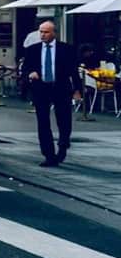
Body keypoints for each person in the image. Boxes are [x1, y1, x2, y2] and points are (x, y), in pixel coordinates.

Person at [21, 20, 82, 166]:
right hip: (41, 89)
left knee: (64, 120)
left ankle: (62, 146)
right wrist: (30, 74)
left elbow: (74, 72)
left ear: (54, 33)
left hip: (60, 88)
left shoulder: (66, 49)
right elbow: (24, 70)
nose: (42, 35)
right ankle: (48, 154)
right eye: (41, 32)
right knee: (43, 121)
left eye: (46, 32)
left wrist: (78, 91)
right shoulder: (32, 49)